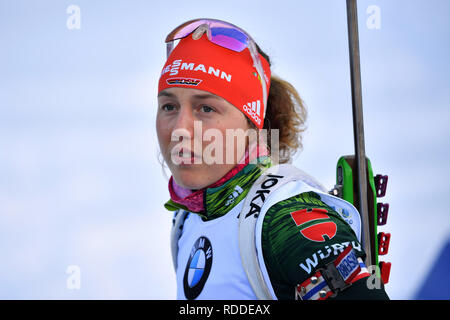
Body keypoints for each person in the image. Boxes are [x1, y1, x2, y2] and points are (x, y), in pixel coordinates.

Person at [156, 18, 389, 300]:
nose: (180, 128)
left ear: (253, 126)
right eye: (169, 106)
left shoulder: (284, 219)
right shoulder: (186, 219)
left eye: (205, 108)